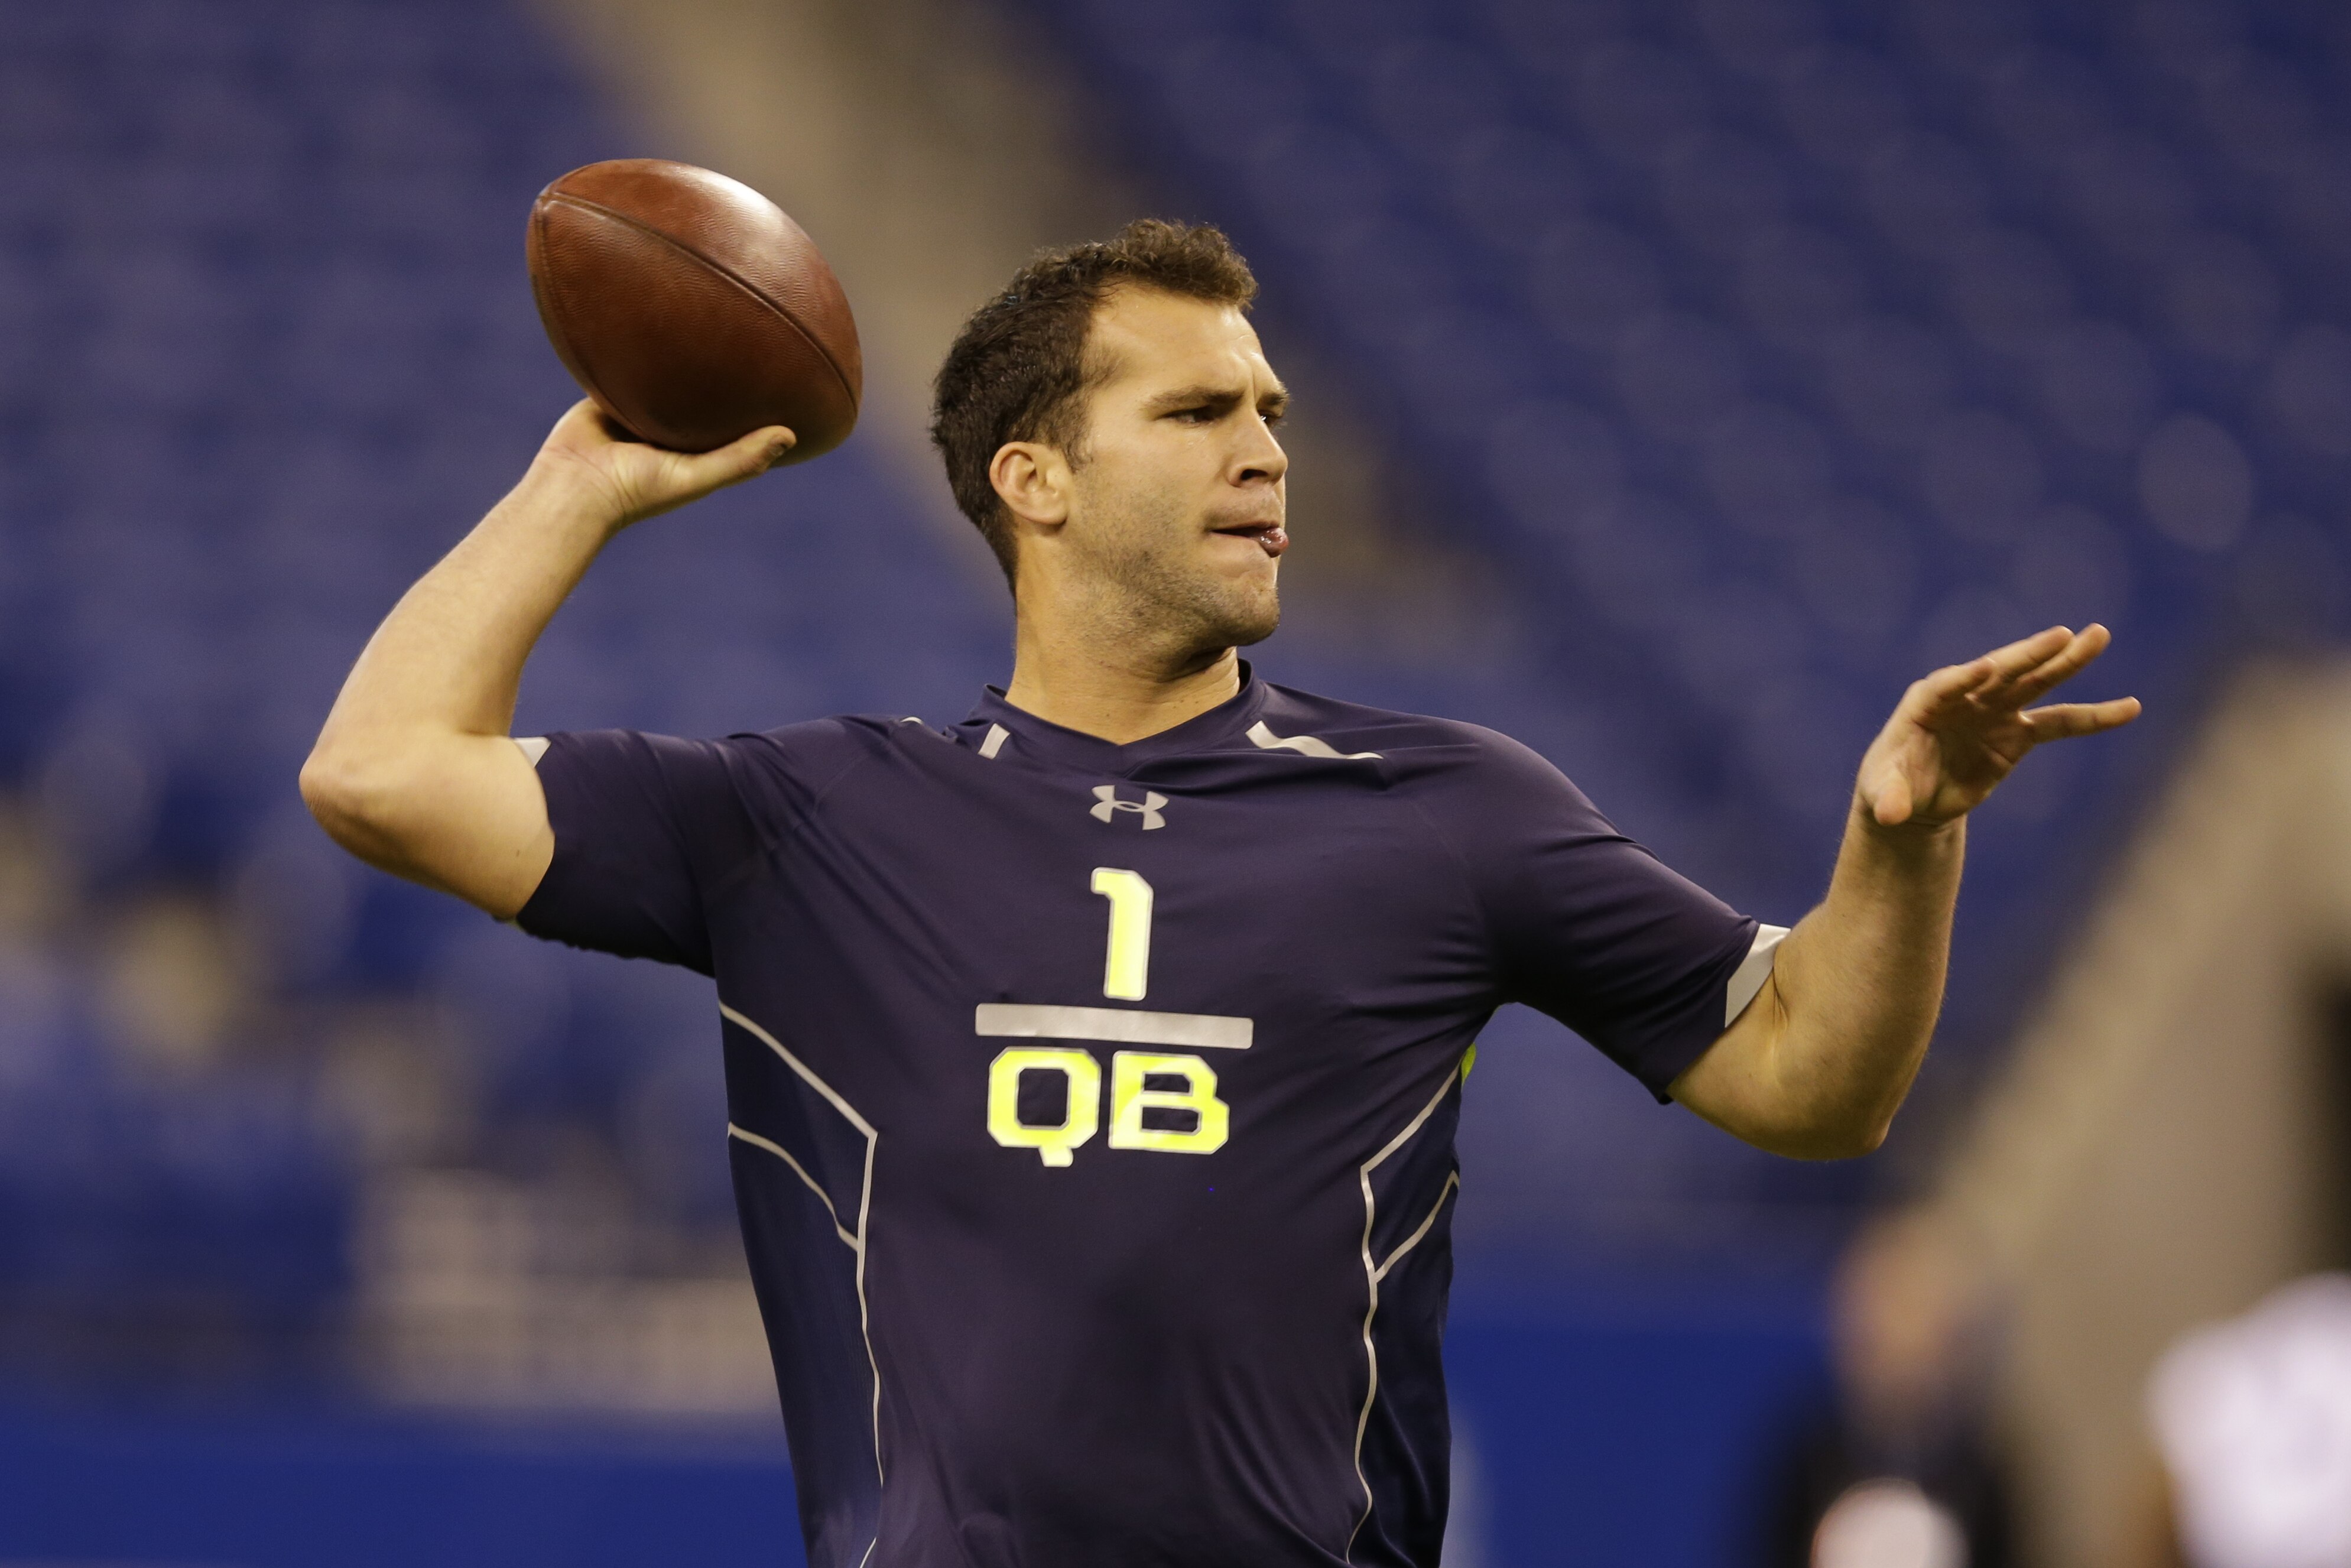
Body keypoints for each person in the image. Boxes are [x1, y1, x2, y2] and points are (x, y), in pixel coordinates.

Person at [299, 220, 2140, 1567]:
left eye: (1269, 405)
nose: (1270, 449)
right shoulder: (805, 818)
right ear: (1034, 478)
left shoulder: (1449, 809)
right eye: (1196, 411)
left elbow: (1823, 1081)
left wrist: (1902, 840)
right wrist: (581, 486)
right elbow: (376, 770)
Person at [1756, 1207, 2018, 1568]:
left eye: (1919, 1308)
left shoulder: (1984, 1478)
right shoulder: (1809, 1460)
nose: (1902, 1331)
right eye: (1888, 1305)